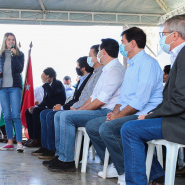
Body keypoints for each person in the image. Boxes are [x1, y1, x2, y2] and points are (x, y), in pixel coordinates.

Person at [86, 27, 163, 185]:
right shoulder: (131, 65)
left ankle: (126, 171)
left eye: (123, 42)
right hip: (130, 111)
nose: (121, 46)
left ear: (132, 43)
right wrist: (115, 112)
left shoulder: (148, 64)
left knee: (108, 128)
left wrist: (118, 116)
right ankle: (120, 166)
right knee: (94, 126)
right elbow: (123, 97)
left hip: (145, 113)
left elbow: (140, 101)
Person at [121, 15, 185, 185]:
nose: (161, 38)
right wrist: (152, 114)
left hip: (180, 121)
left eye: (163, 33)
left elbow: (181, 101)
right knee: (130, 126)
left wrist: (150, 116)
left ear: (175, 35)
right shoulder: (179, 55)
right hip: (177, 117)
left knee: (129, 129)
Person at [45, 38, 125, 172]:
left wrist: (78, 112)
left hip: (106, 111)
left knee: (66, 117)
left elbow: (101, 100)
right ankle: (60, 156)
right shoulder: (106, 70)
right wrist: (80, 110)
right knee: (60, 115)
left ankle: (67, 161)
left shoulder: (115, 70)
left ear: (103, 51)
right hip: (99, 108)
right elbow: (93, 96)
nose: (98, 54)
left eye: (98, 51)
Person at [32, 56, 94, 158]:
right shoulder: (81, 80)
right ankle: (45, 146)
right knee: (41, 112)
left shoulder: (58, 83)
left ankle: (54, 150)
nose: (76, 68)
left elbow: (80, 100)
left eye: (77, 66)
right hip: (66, 106)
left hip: (77, 108)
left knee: (51, 115)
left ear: (83, 67)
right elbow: (73, 100)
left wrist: (62, 107)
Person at [0, 32, 24, 152]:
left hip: (14, 87)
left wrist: (14, 55)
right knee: (6, 116)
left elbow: (20, 69)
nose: (11, 42)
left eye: (13, 40)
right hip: (2, 88)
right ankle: (10, 142)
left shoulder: (19, 54)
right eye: (9, 40)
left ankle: (19, 143)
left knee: (16, 115)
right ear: (5, 42)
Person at [24, 67, 66, 147]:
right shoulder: (47, 86)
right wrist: (36, 106)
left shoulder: (58, 83)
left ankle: (37, 139)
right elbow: (45, 101)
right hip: (48, 107)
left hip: (56, 108)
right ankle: (32, 137)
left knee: (37, 112)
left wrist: (46, 84)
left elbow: (52, 93)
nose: (42, 79)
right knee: (29, 111)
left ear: (50, 77)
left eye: (43, 77)